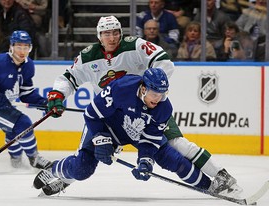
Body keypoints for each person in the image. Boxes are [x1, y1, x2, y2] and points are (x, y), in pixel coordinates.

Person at [34, 16, 242, 195]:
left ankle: (221, 175)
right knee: (86, 160)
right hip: (109, 114)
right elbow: (69, 78)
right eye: (106, 34)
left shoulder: (135, 45)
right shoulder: (88, 56)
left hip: (147, 106)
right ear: (99, 36)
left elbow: (164, 63)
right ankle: (64, 177)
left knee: (176, 143)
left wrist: (146, 90)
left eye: (115, 33)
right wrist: (57, 95)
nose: (112, 38)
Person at [33, 68, 222, 196]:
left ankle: (209, 187)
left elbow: (151, 140)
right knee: (82, 169)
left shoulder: (163, 108)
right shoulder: (120, 88)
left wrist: (145, 161)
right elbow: (91, 114)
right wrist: (101, 139)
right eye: (154, 94)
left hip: (135, 132)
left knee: (173, 160)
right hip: (106, 128)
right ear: (143, 88)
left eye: (162, 94)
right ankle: (54, 169)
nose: (158, 99)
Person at [0, 30, 51, 169]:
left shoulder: (28, 65)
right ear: (11, 47)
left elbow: (26, 93)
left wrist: (44, 103)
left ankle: (16, 160)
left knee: (12, 128)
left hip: (0, 106)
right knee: (23, 123)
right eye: (19, 47)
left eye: (26, 47)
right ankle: (34, 158)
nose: (22, 51)